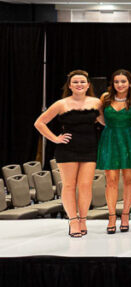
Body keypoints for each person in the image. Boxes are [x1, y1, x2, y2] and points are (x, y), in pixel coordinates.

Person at [34, 70, 101, 237]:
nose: (79, 84)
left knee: (85, 186)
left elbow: (108, 123)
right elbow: (39, 123)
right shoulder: (61, 103)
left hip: (90, 148)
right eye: (76, 82)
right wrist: (55, 139)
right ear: (70, 85)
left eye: (82, 82)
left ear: (88, 85)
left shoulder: (97, 102)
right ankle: (73, 220)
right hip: (67, 149)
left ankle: (83, 219)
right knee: (69, 186)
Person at [96, 69, 131, 233]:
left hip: (130, 139)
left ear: (130, 83)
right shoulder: (105, 98)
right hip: (110, 138)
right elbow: (99, 116)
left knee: (129, 180)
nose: (120, 84)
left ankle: (125, 214)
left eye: (123, 81)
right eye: (116, 81)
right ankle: (111, 217)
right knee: (111, 180)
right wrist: (111, 127)